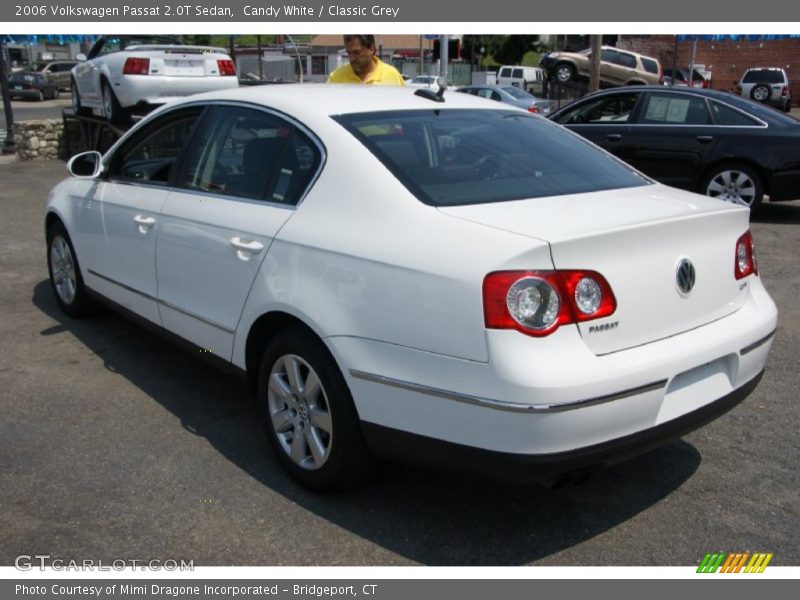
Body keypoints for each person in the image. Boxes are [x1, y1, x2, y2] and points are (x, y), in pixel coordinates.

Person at [326, 35, 405, 85]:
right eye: (349, 53)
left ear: (371, 49)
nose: (352, 58)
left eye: (357, 52)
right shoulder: (336, 78)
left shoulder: (393, 76)